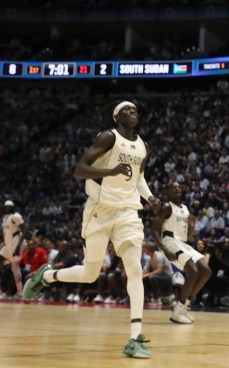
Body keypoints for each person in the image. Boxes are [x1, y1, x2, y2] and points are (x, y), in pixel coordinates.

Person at [22, 101, 158, 359]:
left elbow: (139, 179)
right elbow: (79, 170)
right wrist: (110, 170)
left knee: (135, 270)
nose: (133, 112)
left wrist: (151, 199)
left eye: (135, 110)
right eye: (127, 110)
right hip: (100, 210)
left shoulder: (143, 146)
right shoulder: (108, 137)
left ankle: (134, 337)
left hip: (128, 211)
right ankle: (47, 277)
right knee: (89, 274)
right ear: (116, 116)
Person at [150, 181, 212, 324]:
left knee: (206, 271)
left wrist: (191, 227)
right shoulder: (166, 207)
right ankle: (178, 311)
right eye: (173, 187)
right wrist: (165, 249)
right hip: (170, 242)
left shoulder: (185, 208)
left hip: (182, 243)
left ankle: (184, 306)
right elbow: (153, 230)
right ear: (168, 192)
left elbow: (188, 236)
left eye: (179, 187)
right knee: (193, 270)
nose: (177, 189)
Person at [0, 200, 25, 298]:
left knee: (15, 269)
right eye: (6, 206)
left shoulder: (16, 216)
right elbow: (4, 232)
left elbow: (25, 229)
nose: (7, 208)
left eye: (9, 206)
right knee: (14, 269)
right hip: (8, 244)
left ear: (12, 207)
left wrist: (18, 246)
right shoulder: (5, 218)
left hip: (16, 243)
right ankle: (5, 291)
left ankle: (20, 292)